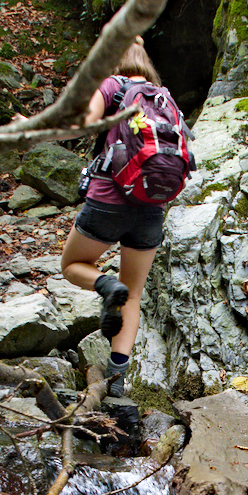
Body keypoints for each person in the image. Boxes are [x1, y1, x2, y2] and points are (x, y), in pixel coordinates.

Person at [60, 38, 176, 396]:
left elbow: (84, 122)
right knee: (135, 296)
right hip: (152, 207)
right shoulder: (163, 97)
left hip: (109, 201)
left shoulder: (112, 85)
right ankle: (116, 382)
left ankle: (106, 285)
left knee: (72, 265)